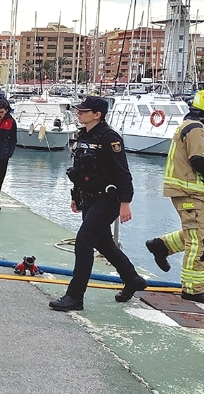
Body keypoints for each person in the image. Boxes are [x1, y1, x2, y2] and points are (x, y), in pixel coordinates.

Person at [49, 96, 147, 312]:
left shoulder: (110, 138)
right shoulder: (83, 135)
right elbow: (79, 170)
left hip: (108, 199)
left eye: (84, 111)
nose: (79, 113)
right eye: (79, 110)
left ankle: (75, 296)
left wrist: (125, 202)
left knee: (84, 241)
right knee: (103, 243)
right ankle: (132, 279)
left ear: (97, 115)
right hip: (89, 197)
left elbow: (123, 173)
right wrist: (75, 196)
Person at [146, 90, 204, 303]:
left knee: (197, 232)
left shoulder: (191, 126)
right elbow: (198, 160)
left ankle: (162, 245)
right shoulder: (195, 129)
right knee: (199, 240)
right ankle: (192, 289)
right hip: (189, 191)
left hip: (190, 191)